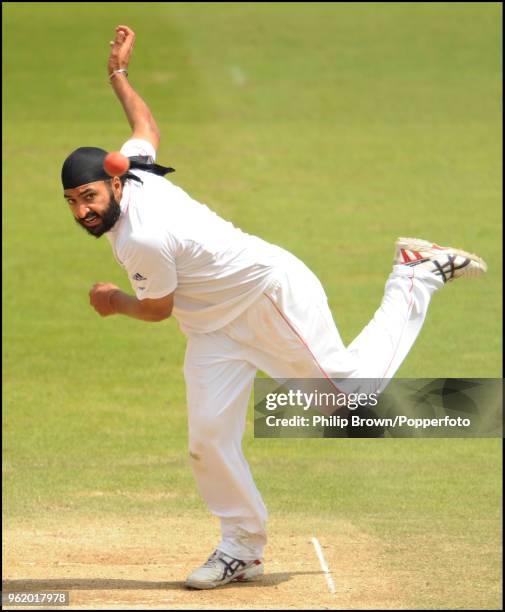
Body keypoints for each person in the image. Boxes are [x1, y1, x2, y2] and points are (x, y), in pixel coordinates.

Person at [62, 25, 487, 590]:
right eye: (71, 203)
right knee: (209, 438)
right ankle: (241, 547)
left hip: (268, 298)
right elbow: (146, 127)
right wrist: (119, 76)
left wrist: (111, 301)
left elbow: (156, 309)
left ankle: (414, 274)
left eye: (88, 198)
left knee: (351, 400)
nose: (82, 212)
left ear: (113, 184)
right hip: (213, 328)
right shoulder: (132, 169)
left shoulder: (142, 236)